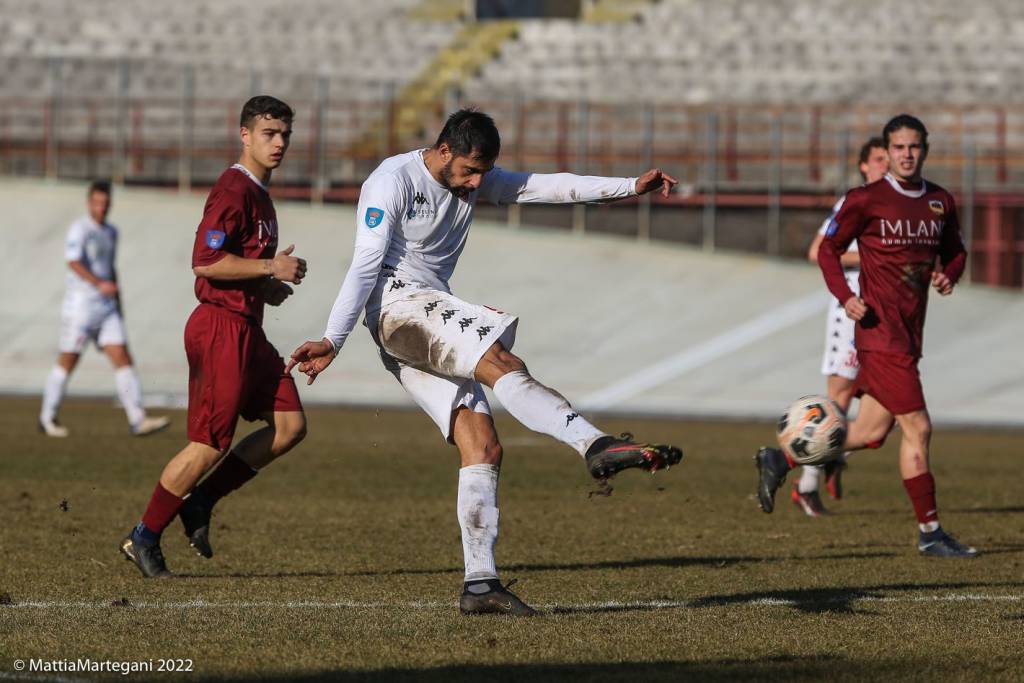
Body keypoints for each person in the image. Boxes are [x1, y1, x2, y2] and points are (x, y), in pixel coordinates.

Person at [287, 109, 684, 615]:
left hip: (419, 315)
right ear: (445, 150)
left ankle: (480, 585)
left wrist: (628, 186)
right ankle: (594, 443)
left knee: (483, 444)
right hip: (399, 306)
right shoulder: (391, 181)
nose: (477, 184)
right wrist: (332, 339)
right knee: (499, 359)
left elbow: (543, 187)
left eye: (484, 174)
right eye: (470, 171)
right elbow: (366, 263)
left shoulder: (470, 178)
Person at [755, 114, 977, 558]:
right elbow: (828, 252)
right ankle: (930, 532)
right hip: (880, 335)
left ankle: (780, 459)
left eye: (914, 147)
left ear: (925, 149)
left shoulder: (939, 202)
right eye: (898, 148)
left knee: (871, 432)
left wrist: (949, 274)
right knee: (919, 427)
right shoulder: (866, 199)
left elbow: (956, 251)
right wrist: (845, 296)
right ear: (888, 152)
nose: (906, 154)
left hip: (909, 335)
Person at [120, 96, 309, 578]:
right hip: (220, 328)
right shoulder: (234, 189)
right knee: (209, 442)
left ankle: (200, 500)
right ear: (244, 135)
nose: (280, 142)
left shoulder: (261, 196)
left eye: (285, 133)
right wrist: (271, 266)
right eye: (270, 133)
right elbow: (205, 261)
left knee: (289, 426)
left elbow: (234, 265)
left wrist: (264, 286)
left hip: (247, 327)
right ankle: (142, 535)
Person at [792, 138, 889, 517]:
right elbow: (818, 251)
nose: (886, 164)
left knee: (889, 411)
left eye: (889, 157)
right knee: (840, 402)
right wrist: (871, 253)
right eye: (878, 159)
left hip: (888, 317)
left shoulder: (901, 206)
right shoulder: (855, 202)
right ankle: (807, 484)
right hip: (850, 313)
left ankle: (819, 462)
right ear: (864, 166)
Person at [39, 181, 170, 438]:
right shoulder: (80, 229)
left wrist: (117, 302)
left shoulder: (111, 231)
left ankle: (137, 419)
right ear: (89, 203)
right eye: (97, 202)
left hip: (107, 308)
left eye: (105, 203)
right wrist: (99, 284)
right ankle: (47, 417)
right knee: (68, 360)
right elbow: (73, 261)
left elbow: (110, 269)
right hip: (82, 306)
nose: (101, 208)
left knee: (122, 356)